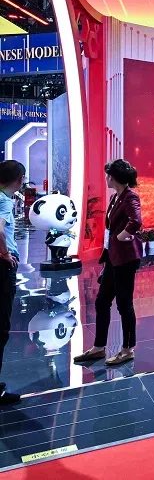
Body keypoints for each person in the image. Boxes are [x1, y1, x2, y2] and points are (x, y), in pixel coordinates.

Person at [74, 160, 143, 366]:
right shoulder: (115, 198)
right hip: (113, 257)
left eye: (107, 175)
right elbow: (109, 229)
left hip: (126, 258)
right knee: (102, 301)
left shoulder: (130, 196)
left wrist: (122, 236)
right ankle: (98, 347)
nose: (106, 179)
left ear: (113, 178)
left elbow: (136, 221)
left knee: (124, 304)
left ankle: (128, 349)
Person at [0, 160, 25, 405]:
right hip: (2, 267)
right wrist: (6, 254)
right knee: (1, 328)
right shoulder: (5, 201)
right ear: (18, 180)